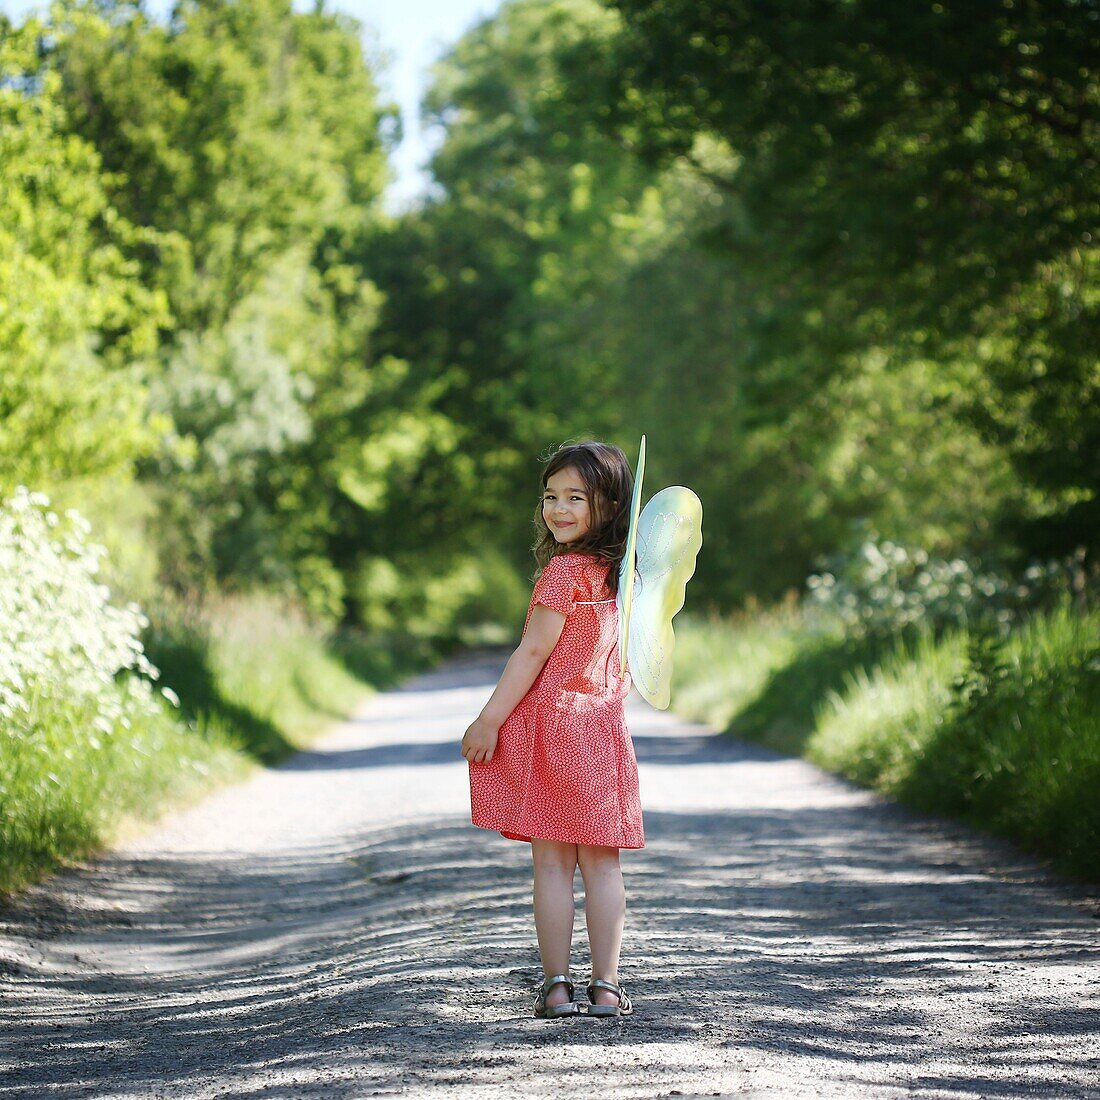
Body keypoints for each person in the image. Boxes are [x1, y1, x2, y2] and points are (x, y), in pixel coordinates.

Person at [461, 439, 643, 1020]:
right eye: (551, 497)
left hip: (554, 727)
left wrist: (488, 719)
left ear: (610, 507)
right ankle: (607, 986)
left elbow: (533, 651)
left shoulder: (563, 573)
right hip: (603, 729)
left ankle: (558, 985)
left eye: (575, 499)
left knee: (552, 865)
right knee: (604, 864)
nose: (559, 510)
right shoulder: (626, 578)